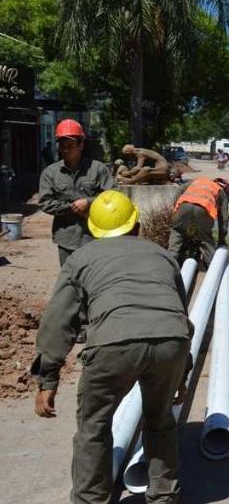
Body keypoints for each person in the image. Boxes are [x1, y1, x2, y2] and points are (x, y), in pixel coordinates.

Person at [31, 190, 194, 504]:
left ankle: (91, 500)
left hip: (113, 345)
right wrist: (181, 373)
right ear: (136, 224)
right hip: (171, 343)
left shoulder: (80, 259)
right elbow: (179, 316)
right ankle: (164, 497)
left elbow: (58, 321)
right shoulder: (161, 255)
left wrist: (47, 380)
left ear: (93, 229)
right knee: (160, 421)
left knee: (94, 427)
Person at [39, 119, 116, 266]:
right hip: (67, 239)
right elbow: (45, 202)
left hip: (96, 237)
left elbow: (114, 194)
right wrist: (73, 207)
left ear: (81, 145)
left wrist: (89, 202)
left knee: (94, 276)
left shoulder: (98, 169)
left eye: (70, 146)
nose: (66, 150)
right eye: (62, 146)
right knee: (69, 277)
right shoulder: (50, 173)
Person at [168, 177, 229, 269]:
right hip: (204, 209)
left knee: (177, 232)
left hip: (184, 206)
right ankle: (212, 269)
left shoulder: (198, 180)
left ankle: (170, 264)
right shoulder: (220, 191)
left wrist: (176, 207)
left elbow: (180, 190)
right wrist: (222, 240)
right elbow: (223, 218)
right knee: (205, 239)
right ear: (225, 188)